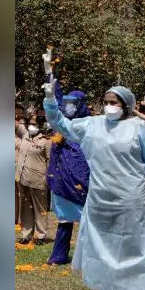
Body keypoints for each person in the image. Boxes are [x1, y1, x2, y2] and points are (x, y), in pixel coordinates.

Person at [43, 81, 145, 290]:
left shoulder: (141, 128)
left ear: (126, 105)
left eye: (113, 102)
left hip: (132, 199)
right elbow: (60, 124)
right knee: (99, 248)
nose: (109, 106)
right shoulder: (92, 125)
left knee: (133, 246)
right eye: (106, 102)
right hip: (99, 199)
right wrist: (50, 100)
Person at [40, 51, 91, 265]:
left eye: (73, 103)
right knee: (64, 218)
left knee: (88, 218)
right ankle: (59, 255)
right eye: (67, 102)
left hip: (82, 173)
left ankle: (88, 255)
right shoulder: (61, 117)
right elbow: (54, 96)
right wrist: (48, 70)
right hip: (62, 173)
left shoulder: (89, 122)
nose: (68, 105)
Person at [15, 115, 51, 245]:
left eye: (34, 124)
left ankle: (41, 235)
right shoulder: (25, 136)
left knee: (39, 209)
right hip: (23, 178)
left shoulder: (46, 141)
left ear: (40, 126)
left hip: (38, 180)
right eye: (30, 123)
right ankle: (26, 234)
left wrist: (48, 178)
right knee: (25, 208)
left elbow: (50, 161)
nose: (31, 126)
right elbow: (16, 125)